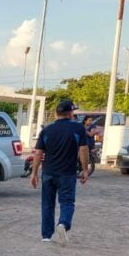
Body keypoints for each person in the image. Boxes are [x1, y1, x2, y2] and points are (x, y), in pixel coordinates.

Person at [31, 100, 89, 247]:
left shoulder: (46, 130)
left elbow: (38, 153)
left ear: (57, 113)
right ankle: (63, 223)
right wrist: (85, 169)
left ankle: (46, 235)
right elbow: (83, 150)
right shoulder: (78, 129)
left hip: (48, 172)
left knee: (47, 203)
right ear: (70, 113)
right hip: (67, 173)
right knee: (67, 202)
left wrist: (34, 173)